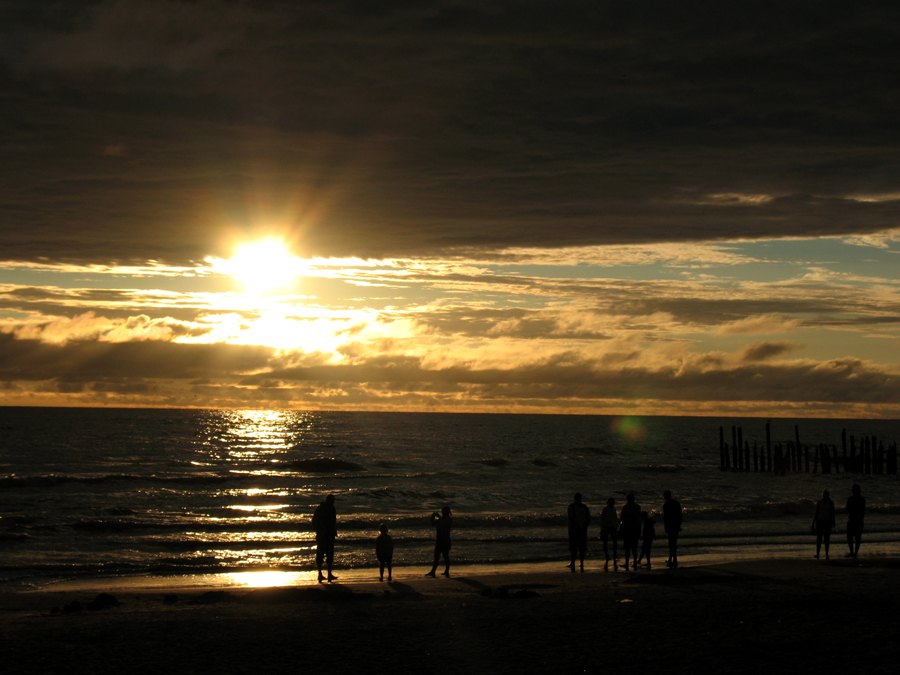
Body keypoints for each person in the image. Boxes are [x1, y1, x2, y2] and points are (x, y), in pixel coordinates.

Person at [312, 494, 337, 582]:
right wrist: (319, 531)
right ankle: (320, 574)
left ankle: (329, 574)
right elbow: (314, 521)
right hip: (323, 535)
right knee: (321, 555)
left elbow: (333, 521)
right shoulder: (321, 509)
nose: (333, 502)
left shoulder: (331, 508)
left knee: (329, 555)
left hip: (329, 534)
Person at [566, 493, 591, 572]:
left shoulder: (571, 507)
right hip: (583, 529)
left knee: (574, 547)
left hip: (574, 529)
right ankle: (581, 563)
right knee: (582, 547)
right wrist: (584, 526)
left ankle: (573, 562)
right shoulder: (585, 507)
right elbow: (588, 518)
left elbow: (571, 518)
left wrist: (578, 525)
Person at [426, 506, 453, 577]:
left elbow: (445, 525)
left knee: (445, 556)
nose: (443, 513)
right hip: (439, 540)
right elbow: (433, 523)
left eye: (444, 511)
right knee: (436, 556)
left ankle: (447, 571)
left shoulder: (449, 519)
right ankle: (433, 571)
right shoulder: (441, 519)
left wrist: (439, 517)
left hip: (445, 540)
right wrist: (432, 517)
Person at [619, 493, 641, 571]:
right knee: (634, 546)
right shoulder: (637, 507)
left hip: (628, 528)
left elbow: (622, 518)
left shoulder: (625, 507)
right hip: (636, 528)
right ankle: (635, 562)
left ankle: (627, 562)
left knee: (627, 547)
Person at [812, 489, 836, 560]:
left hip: (827, 522)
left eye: (826, 495)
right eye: (824, 495)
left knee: (826, 539)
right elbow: (817, 513)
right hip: (819, 522)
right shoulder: (819, 502)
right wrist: (813, 523)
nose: (825, 496)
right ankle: (818, 554)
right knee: (819, 539)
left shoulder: (831, 503)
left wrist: (833, 521)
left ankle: (827, 554)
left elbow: (832, 513)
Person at [663, 490, 683, 569]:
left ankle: (673, 560)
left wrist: (666, 528)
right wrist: (679, 524)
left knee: (672, 543)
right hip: (675, 525)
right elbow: (680, 515)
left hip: (671, 525)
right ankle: (671, 558)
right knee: (673, 543)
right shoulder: (676, 503)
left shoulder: (666, 505)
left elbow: (666, 518)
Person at [845, 484, 866, 559]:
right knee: (849, 537)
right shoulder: (851, 498)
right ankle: (851, 552)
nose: (854, 491)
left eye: (855, 490)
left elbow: (862, 510)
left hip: (858, 520)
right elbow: (847, 508)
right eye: (853, 490)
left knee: (857, 537)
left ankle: (855, 552)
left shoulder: (861, 499)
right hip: (852, 519)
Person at [600, 497, 619, 570]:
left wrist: (616, 526)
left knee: (614, 541)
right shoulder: (605, 509)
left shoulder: (613, 509)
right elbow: (602, 519)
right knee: (605, 542)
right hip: (606, 526)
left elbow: (615, 518)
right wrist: (602, 528)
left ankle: (614, 554)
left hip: (612, 526)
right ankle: (607, 555)